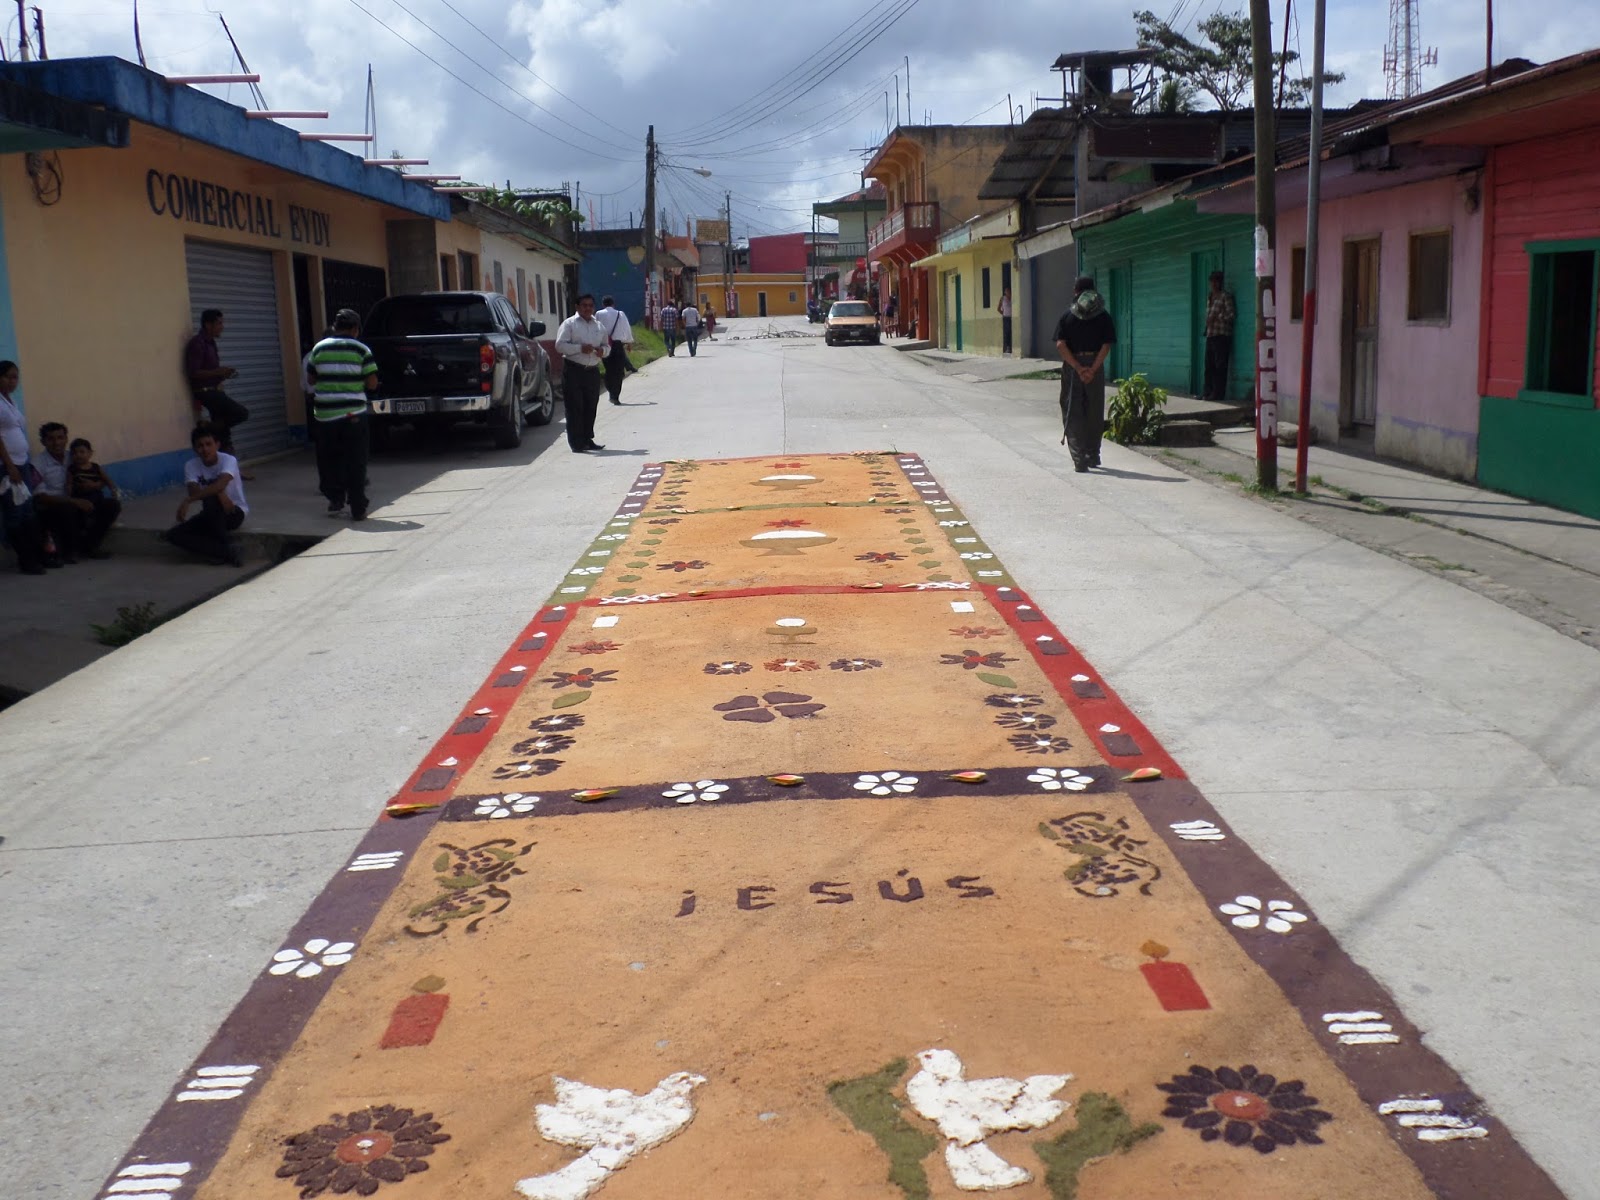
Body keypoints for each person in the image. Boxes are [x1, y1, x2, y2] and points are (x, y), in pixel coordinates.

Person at [308, 309, 379, 521]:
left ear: (334, 327)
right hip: (353, 415)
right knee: (355, 461)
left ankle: (335, 499)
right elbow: (372, 382)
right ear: (355, 329)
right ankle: (358, 507)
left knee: (329, 459)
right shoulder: (361, 350)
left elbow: (311, 380)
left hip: (325, 415)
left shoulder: (318, 348)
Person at [1054, 275, 1116, 473]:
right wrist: (1093, 369)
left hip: (1073, 366)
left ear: (1076, 291)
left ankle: (1079, 458)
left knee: (1073, 410)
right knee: (1094, 410)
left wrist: (1078, 368)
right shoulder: (1104, 316)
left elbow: (1060, 345)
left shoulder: (1067, 316)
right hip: (1094, 367)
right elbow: (1106, 345)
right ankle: (1092, 454)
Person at [34, 422, 118, 561]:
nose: (56, 443)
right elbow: (40, 497)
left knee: (112, 506)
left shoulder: (74, 456)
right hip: (54, 505)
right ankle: (71, 551)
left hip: (80, 499)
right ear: (43, 442)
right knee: (69, 509)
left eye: (60, 438)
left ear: (66, 439)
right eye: (51, 439)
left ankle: (90, 546)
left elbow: (97, 474)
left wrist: (96, 485)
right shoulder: (37, 464)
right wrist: (74, 501)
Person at [166, 424, 248, 566]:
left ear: (217, 445)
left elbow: (219, 484)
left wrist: (188, 500)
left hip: (234, 512)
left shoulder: (228, 460)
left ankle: (221, 551)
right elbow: (194, 491)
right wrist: (218, 492)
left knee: (210, 499)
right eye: (200, 446)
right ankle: (226, 552)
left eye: (209, 444)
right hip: (211, 514)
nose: (205, 449)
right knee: (174, 535)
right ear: (194, 449)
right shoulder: (191, 465)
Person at [184, 308, 252, 475]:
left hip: (215, 389)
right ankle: (207, 427)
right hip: (205, 392)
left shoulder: (211, 343)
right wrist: (218, 372)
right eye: (219, 323)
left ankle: (231, 471)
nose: (222, 327)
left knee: (223, 435)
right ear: (208, 325)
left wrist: (224, 374)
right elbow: (194, 372)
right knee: (241, 413)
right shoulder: (197, 343)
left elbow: (212, 371)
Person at [0, 360, 48, 574]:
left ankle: (37, 555)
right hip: (7, 467)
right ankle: (26, 560)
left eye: (15, 377)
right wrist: (10, 467)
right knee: (15, 513)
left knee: (28, 511)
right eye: (8, 376)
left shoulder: (10, 401)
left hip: (22, 463)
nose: (12, 381)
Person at [555, 294, 608, 453]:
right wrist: (579, 348)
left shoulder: (599, 326)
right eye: (584, 305)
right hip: (574, 370)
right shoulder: (569, 324)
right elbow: (560, 346)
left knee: (590, 406)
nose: (588, 308)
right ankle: (576, 443)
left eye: (590, 305)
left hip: (592, 371)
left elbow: (607, 346)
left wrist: (602, 351)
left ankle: (587, 438)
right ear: (577, 307)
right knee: (575, 406)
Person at [67, 436, 122, 558]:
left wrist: (113, 489)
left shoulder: (96, 467)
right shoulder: (72, 469)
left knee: (113, 505)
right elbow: (69, 484)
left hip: (96, 498)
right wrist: (69, 496)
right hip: (80, 499)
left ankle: (91, 544)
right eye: (75, 453)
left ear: (90, 453)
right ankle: (80, 548)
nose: (79, 455)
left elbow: (107, 480)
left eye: (82, 452)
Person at [1203, 271, 1236, 405]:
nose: (1214, 284)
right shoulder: (1211, 297)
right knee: (1208, 366)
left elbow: (1231, 315)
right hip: (1211, 335)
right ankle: (1207, 392)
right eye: (1212, 282)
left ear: (1220, 282)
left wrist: (1217, 317)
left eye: (1216, 281)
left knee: (1220, 366)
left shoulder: (1225, 297)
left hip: (1222, 335)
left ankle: (1217, 394)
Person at [595, 296, 634, 406]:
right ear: (613, 304)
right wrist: (629, 342)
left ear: (603, 304)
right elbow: (626, 328)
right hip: (617, 345)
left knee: (609, 369)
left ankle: (610, 389)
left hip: (604, 344)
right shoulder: (620, 314)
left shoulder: (598, 314)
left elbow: (595, 328)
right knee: (619, 371)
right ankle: (614, 395)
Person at [998, 287, 1013, 355]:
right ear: (1005, 292)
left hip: (1012, 317)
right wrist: (1003, 314)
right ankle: (1007, 348)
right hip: (1006, 318)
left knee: (1012, 332)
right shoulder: (1003, 299)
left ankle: (1012, 347)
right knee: (1007, 333)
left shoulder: (1013, 297)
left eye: (1009, 291)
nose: (1008, 293)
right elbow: (998, 309)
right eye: (1007, 291)